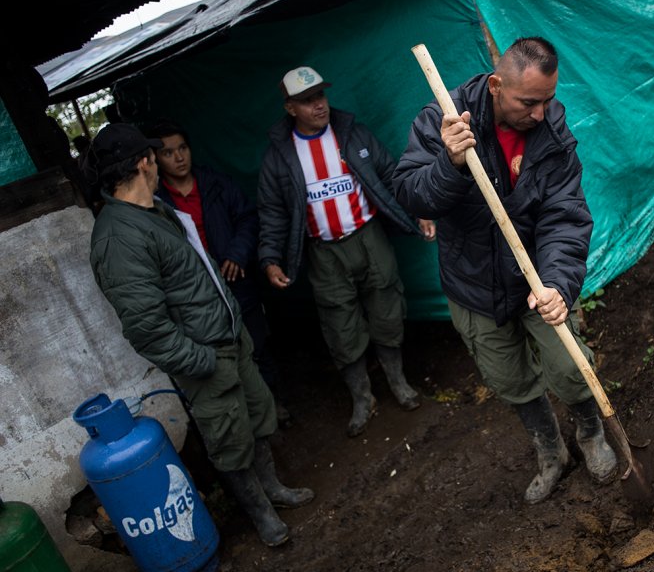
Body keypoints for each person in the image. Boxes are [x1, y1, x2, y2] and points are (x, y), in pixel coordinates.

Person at [392, 37, 617, 504]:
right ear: (496, 85)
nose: (540, 113)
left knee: (570, 368)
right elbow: (412, 195)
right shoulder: (443, 117)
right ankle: (550, 451)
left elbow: (565, 214)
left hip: (537, 275)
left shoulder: (551, 130)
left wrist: (557, 283)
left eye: (549, 99)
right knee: (510, 380)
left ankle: (591, 433)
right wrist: (449, 164)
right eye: (529, 102)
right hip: (473, 284)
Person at [84, 123, 313, 548]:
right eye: (154, 156)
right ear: (143, 163)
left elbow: (196, 276)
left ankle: (274, 490)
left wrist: (233, 328)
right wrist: (202, 361)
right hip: (206, 357)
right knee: (229, 440)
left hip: (231, 338)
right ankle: (261, 514)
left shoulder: (154, 210)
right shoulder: (119, 236)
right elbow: (146, 328)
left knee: (258, 418)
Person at [257, 65, 436, 438]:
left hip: (369, 236)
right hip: (324, 252)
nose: (318, 105)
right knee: (340, 325)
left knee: (387, 307)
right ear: (290, 108)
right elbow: (272, 211)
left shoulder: (352, 133)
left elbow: (390, 173)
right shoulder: (279, 155)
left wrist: (418, 211)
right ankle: (362, 398)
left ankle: (399, 384)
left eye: (320, 95)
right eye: (307, 101)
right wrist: (270, 257)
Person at [145, 120, 290, 425]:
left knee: (258, 347)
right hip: (200, 296)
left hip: (237, 282)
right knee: (223, 358)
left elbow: (248, 219)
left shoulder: (215, 183)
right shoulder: (157, 204)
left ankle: (275, 406)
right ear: (156, 159)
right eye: (169, 153)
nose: (179, 157)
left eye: (182, 148)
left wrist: (237, 253)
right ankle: (248, 418)